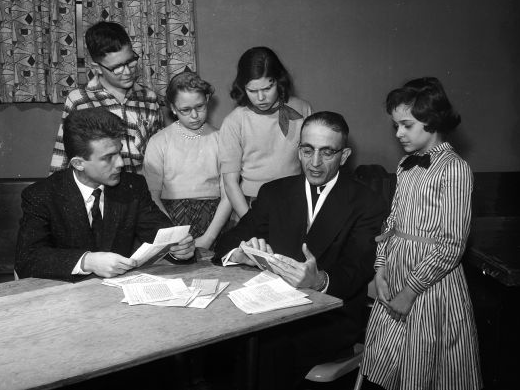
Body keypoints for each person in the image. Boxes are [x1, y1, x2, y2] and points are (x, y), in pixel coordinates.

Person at [213, 111, 387, 389]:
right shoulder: (274, 193)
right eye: (308, 150)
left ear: (344, 156)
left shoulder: (367, 202)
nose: (314, 163)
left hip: (328, 317)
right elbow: (226, 242)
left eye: (327, 152)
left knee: (265, 345)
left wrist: (318, 280)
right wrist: (240, 253)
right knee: (221, 337)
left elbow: (357, 268)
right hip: (268, 308)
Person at [361, 78, 482, 390]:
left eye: (406, 125)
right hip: (396, 275)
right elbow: (391, 225)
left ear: (432, 121)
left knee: (426, 368)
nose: (399, 133)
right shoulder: (405, 165)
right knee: (389, 368)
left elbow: (452, 246)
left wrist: (409, 292)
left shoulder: (454, 168)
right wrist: (381, 268)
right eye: (396, 126)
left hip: (430, 288)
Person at [16, 107, 195, 280]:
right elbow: (28, 258)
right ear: (78, 163)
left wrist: (180, 250)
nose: (120, 164)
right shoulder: (41, 195)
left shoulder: (132, 186)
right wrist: (88, 261)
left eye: (119, 152)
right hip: (64, 295)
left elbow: (160, 234)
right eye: (108, 158)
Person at [50, 21, 163, 174]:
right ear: (97, 68)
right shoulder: (79, 100)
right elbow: (63, 156)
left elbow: (161, 152)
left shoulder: (148, 98)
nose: (127, 72)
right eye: (117, 67)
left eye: (130, 61)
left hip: (142, 191)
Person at [218, 46, 312, 220]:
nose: (260, 98)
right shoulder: (234, 121)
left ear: (279, 80)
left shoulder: (303, 109)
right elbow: (230, 183)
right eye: (252, 91)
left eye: (268, 88)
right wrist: (250, 221)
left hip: (295, 200)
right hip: (249, 204)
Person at [143, 72, 232, 250]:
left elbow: (229, 193)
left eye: (200, 107)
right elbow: (153, 196)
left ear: (207, 99)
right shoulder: (159, 141)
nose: (194, 115)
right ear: (173, 108)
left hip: (214, 222)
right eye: (185, 110)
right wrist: (173, 236)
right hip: (170, 220)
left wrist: (209, 237)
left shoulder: (221, 139)